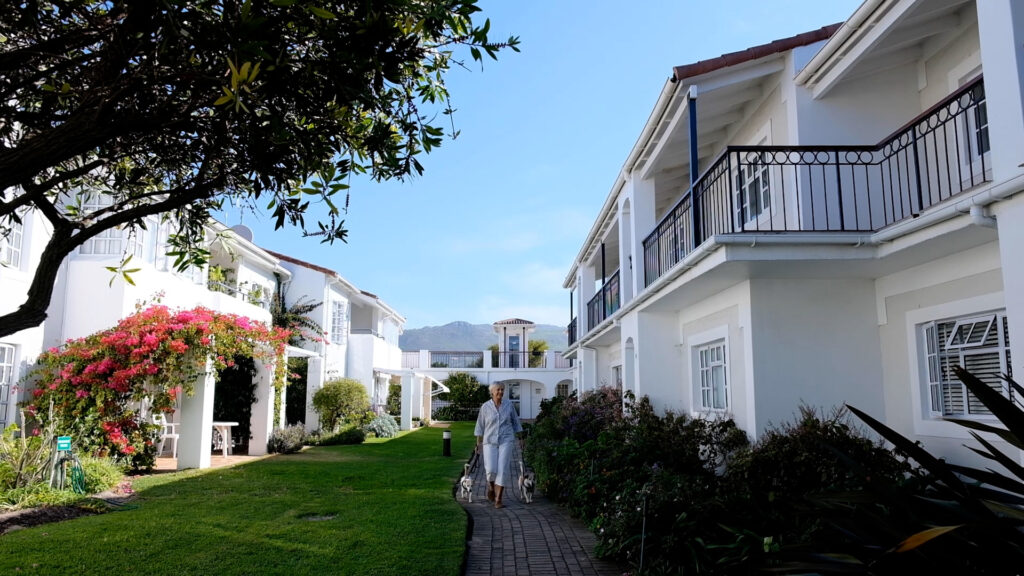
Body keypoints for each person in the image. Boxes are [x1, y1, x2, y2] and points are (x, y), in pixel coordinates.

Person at [474, 382, 523, 509]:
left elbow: (515, 421)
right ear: (492, 392)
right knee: (490, 469)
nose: (500, 392)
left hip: (506, 439)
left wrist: (521, 437)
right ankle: (491, 486)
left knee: (502, 469)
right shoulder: (485, 407)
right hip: (489, 440)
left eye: (502, 389)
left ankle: (498, 498)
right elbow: (480, 425)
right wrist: (478, 442)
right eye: (498, 390)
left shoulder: (509, 405)